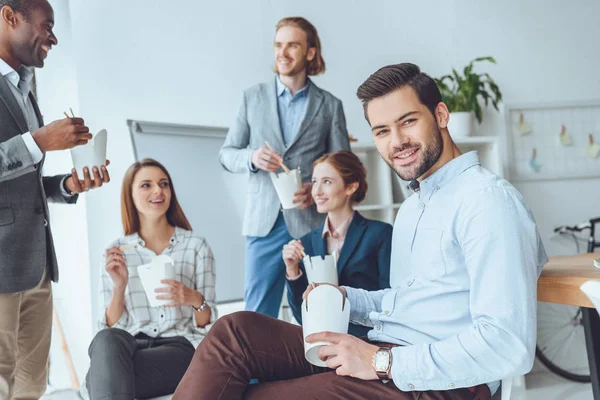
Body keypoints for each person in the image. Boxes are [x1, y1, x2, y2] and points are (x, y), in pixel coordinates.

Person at [173, 63, 548, 400]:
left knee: (252, 395)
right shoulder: (415, 205)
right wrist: (347, 298)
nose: (396, 141)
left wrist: (382, 361)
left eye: (408, 121)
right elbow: (408, 302)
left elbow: (507, 346)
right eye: (382, 130)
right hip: (388, 349)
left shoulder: (487, 201)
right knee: (235, 332)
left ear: (441, 114)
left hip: (440, 385)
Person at [0, 0, 110, 398]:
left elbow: (22, 182)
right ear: (10, 17)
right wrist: (40, 140)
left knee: (31, 386)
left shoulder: (25, 89)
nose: (54, 37)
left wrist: (68, 187)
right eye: (46, 25)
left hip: (37, 265)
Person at [219, 16, 350, 318]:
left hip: (312, 224)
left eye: (292, 45)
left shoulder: (330, 106)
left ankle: (316, 366)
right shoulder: (251, 98)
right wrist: (252, 158)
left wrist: (317, 187)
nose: (283, 52)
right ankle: (257, 367)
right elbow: (226, 155)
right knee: (257, 315)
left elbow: (344, 166)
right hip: (263, 224)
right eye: (278, 45)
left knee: (319, 308)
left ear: (310, 52)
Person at [84, 159, 215, 399]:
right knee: (106, 341)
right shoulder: (117, 251)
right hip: (131, 345)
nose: (158, 191)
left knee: (100, 376)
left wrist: (193, 298)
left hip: (180, 348)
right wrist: (119, 286)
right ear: (130, 195)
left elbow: (207, 323)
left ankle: (99, 379)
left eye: (164, 184)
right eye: (146, 185)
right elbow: (111, 327)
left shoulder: (196, 246)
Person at [282, 151, 391, 337]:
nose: (316, 191)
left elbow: (389, 301)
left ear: (350, 187)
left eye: (327, 182)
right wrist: (292, 270)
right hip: (319, 340)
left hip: (366, 339)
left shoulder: (380, 234)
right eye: (315, 181)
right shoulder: (306, 242)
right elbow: (301, 315)